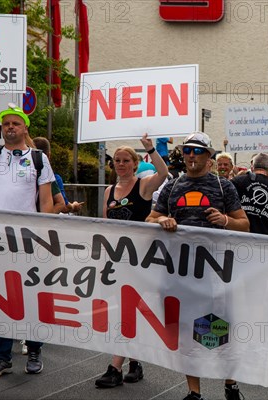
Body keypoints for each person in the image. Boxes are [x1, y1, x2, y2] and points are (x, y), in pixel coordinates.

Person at [146, 132, 249, 400]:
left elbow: (244, 224)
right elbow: (150, 219)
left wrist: (225, 220)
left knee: (216, 329)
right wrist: (161, 221)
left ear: (208, 156)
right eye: (188, 150)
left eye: (197, 151)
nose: (191, 155)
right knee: (185, 330)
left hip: (215, 271)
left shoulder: (223, 186)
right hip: (180, 270)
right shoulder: (173, 185)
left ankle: (230, 383)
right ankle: (194, 392)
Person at [95, 133, 168, 388]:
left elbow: (163, 174)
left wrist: (152, 149)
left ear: (135, 164)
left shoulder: (144, 185)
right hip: (117, 260)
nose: (121, 164)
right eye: (117, 160)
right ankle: (135, 361)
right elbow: (106, 226)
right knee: (123, 310)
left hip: (141, 259)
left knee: (130, 309)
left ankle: (115, 367)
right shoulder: (108, 192)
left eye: (126, 160)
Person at [0, 104, 56, 377]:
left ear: (25, 128)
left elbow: (46, 201)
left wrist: (46, 234)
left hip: (28, 241)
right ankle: (2, 356)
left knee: (28, 296)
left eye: (15, 124)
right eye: (6, 124)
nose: (10, 128)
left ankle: (34, 348)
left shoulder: (38, 158)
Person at [32, 137, 84, 214]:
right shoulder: (53, 178)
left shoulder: (17, 174)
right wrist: (73, 206)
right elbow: (63, 206)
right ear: (49, 155)